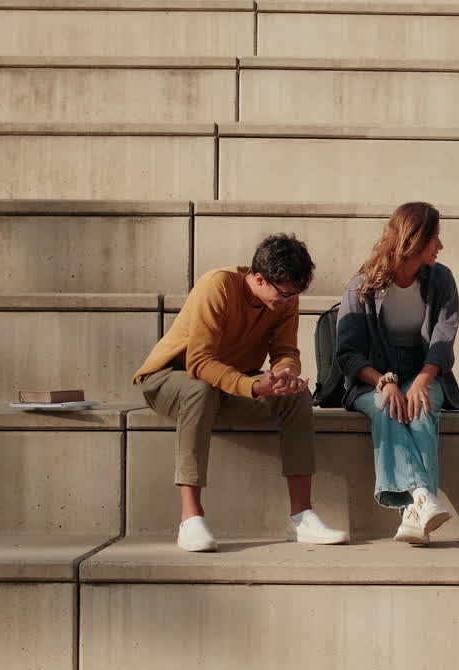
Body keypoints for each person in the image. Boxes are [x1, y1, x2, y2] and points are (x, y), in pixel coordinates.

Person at [134, 233, 348, 552]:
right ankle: (190, 518)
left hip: (227, 384)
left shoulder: (285, 297)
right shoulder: (217, 286)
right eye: (285, 294)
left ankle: (301, 516)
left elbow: (286, 351)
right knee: (199, 390)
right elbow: (199, 361)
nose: (290, 301)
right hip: (169, 379)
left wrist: (284, 375)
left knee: (297, 397)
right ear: (259, 278)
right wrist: (251, 385)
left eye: (295, 294)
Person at [335, 202, 459, 545]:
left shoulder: (441, 279)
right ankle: (421, 495)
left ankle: (412, 515)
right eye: (435, 238)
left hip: (424, 371)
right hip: (371, 377)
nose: (440, 246)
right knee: (386, 407)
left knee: (421, 408)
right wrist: (383, 381)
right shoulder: (361, 286)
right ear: (414, 239)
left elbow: (444, 337)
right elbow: (347, 354)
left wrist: (422, 379)